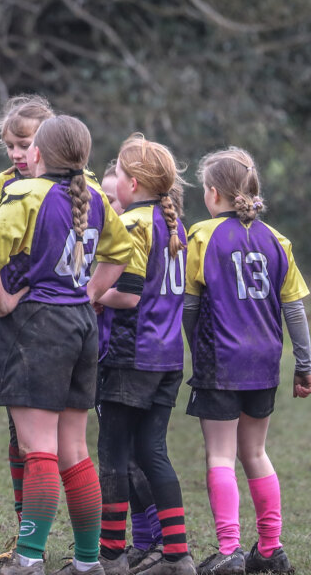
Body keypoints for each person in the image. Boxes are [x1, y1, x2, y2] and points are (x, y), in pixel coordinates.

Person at [0, 115, 134, 575]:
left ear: (38, 155)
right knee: (75, 451)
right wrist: (89, 295)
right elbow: (122, 253)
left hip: (37, 326)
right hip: (81, 327)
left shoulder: (26, 194)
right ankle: (87, 563)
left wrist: (2, 303)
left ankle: (27, 560)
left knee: (37, 448)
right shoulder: (98, 198)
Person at [183, 148, 311, 575]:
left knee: (220, 456)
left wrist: (192, 349)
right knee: (255, 452)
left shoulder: (202, 235)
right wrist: (304, 365)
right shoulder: (278, 239)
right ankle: (271, 549)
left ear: (213, 192)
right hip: (264, 361)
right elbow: (294, 310)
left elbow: (190, 306)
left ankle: (229, 551)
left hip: (219, 359)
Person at [93, 134, 195, 575]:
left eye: (115, 171)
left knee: (113, 453)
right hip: (168, 356)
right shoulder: (172, 225)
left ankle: (112, 554)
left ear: (131, 183)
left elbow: (129, 295)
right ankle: (178, 556)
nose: (111, 178)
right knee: (153, 452)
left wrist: (91, 296)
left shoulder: (133, 224)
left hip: (131, 355)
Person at [0, 94, 55, 564]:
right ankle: (23, 531)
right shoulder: (3, 184)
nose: (17, 154)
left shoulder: (75, 184)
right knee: (18, 433)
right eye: (9, 145)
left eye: (24, 143)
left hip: (60, 322)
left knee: (62, 441)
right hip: (13, 321)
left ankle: (97, 542)